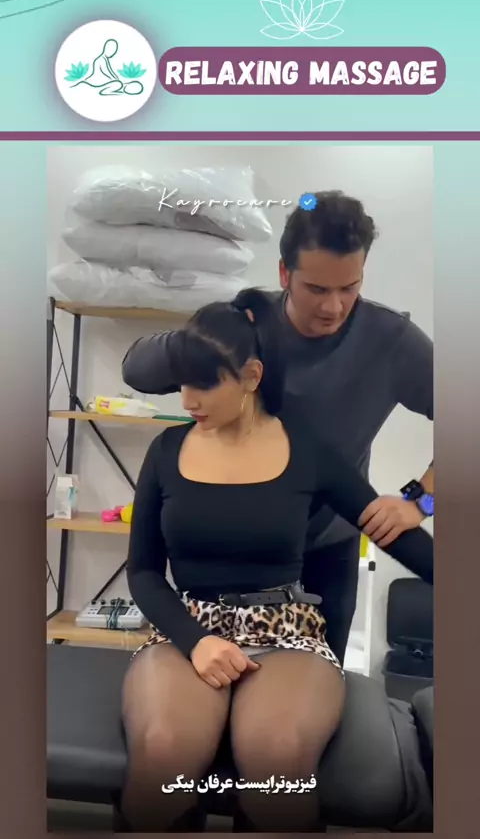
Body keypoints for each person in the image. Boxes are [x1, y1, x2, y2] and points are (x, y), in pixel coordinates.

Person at [120, 287, 433, 833]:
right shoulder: (167, 451)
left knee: (277, 762)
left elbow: (395, 535)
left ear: (251, 376)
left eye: (204, 384)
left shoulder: (306, 451)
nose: (188, 400)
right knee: (164, 754)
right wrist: (197, 641)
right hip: (187, 628)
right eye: (182, 383)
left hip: (286, 631)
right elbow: (143, 572)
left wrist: (422, 506)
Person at [121, 191, 434, 668]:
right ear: (285, 273)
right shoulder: (250, 327)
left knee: (314, 699)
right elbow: (136, 370)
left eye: (349, 287)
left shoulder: (390, 341)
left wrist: (421, 501)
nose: (334, 307)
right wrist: (210, 333)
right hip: (233, 550)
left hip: (327, 550)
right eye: (317, 289)